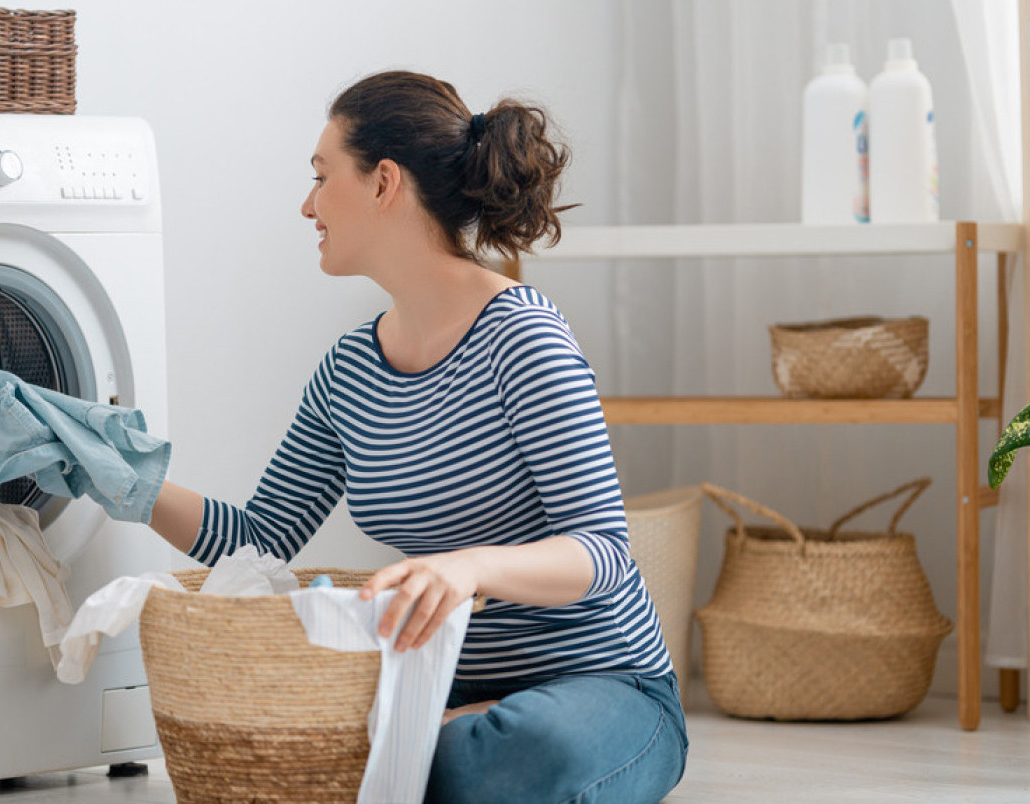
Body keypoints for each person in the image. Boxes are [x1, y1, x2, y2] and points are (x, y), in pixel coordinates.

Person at [147, 70, 687, 804]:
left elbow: (600, 552)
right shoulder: (348, 372)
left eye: (320, 176)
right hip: (443, 683)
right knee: (356, 753)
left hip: (600, 686)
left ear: (383, 183)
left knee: (507, 755)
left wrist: (466, 569)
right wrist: (122, 480)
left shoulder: (522, 339)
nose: (307, 205)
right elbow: (260, 540)